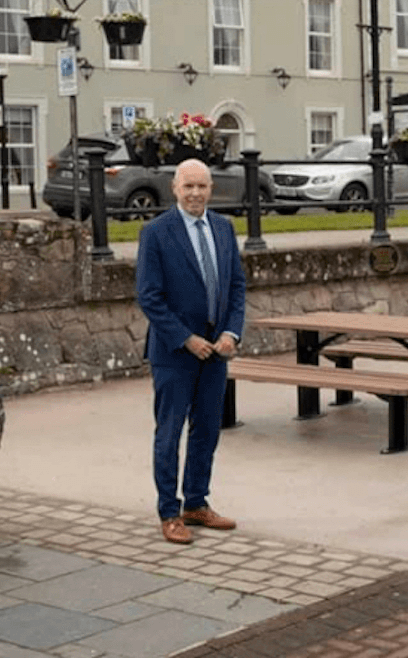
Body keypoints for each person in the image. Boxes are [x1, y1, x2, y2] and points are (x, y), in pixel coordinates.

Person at [136, 159, 246, 545]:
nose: (196, 193)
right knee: (169, 433)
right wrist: (186, 338)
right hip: (175, 353)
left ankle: (196, 503)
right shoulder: (156, 233)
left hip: (217, 351)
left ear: (211, 188)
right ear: (175, 188)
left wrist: (231, 332)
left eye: (202, 186)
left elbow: (236, 286)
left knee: (207, 431)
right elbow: (149, 296)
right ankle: (170, 512)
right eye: (189, 187)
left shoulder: (223, 228)